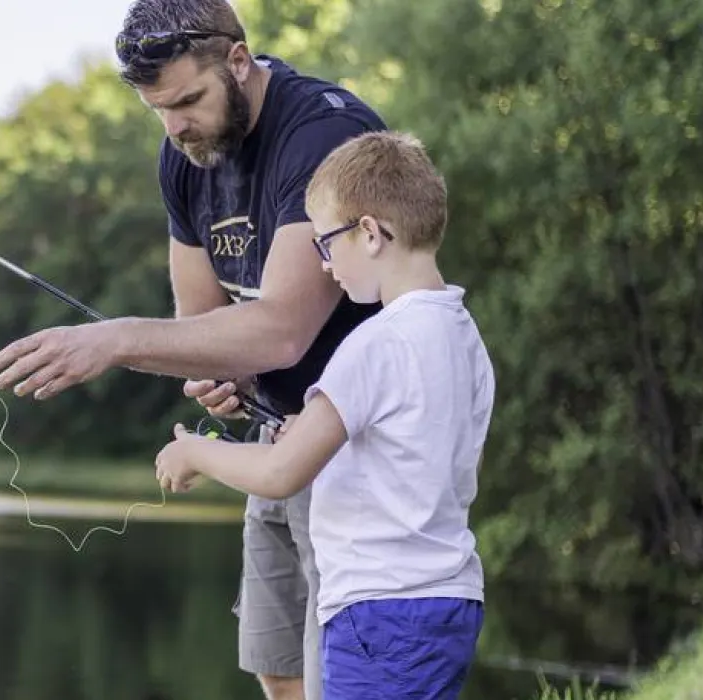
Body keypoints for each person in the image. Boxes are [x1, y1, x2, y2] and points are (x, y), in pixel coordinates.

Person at [0, 1, 385, 697]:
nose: (174, 127)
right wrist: (218, 373)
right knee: (279, 667)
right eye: (158, 110)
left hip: (359, 444)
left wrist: (115, 341)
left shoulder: (323, 133)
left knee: (343, 679)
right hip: (274, 439)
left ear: (238, 60)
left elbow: (282, 328)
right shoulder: (185, 156)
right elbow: (200, 319)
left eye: (188, 100)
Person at [152, 130, 492, 699]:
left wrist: (194, 452)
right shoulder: (463, 335)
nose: (325, 264)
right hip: (448, 600)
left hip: (378, 615)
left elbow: (280, 474)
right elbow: (413, 455)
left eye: (326, 243)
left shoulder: (371, 345)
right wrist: (309, 437)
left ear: (371, 233)